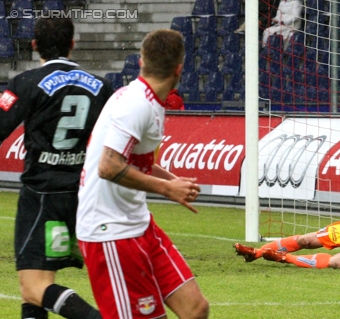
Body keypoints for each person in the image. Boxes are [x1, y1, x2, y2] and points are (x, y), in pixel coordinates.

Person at [76, 29, 209, 319]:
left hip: (138, 223)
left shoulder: (148, 99)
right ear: (179, 68)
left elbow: (133, 160)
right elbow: (108, 165)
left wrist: (170, 180)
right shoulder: (136, 104)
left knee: (195, 308)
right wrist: (166, 190)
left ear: (141, 61)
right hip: (109, 229)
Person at [0, 18, 111, 319]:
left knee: (34, 286)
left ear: (34, 45)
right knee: (36, 289)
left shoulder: (26, 83)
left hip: (41, 194)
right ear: (72, 44)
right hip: (81, 195)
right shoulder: (102, 87)